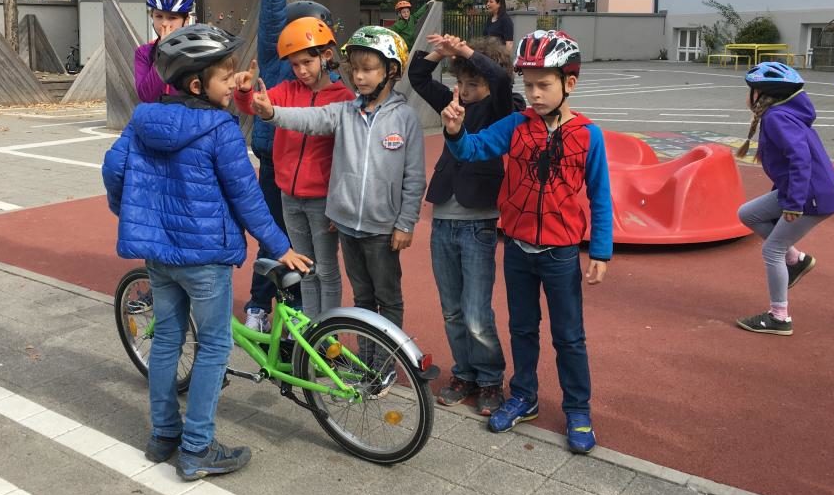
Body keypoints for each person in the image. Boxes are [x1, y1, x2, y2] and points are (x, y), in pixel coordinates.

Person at [103, 24, 311, 481]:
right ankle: (197, 448)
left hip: (160, 257)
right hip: (205, 258)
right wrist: (282, 248)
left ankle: (163, 437)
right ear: (197, 85)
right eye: (225, 77)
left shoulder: (143, 119)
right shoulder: (219, 129)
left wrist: (132, 210)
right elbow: (247, 199)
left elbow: (113, 169)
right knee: (215, 346)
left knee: (168, 342)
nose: (233, 83)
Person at [441, 29, 611, 454]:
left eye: (543, 85)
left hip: (561, 254)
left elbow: (600, 195)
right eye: (528, 85)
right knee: (522, 328)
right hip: (517, 248)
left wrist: (602, 251)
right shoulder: (516, 125)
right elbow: (474, 150)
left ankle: (577, 409)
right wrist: (456, 132)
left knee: (569, 336)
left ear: (568, 83)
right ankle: (524, 396)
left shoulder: (589, 135)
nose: (533, 94)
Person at [250, 26, 426, 391]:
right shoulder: (345, 111)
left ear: (391, 71)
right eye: (355, 69)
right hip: (347, 224)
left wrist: (405, 223)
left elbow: (414, 178)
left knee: (388, 298)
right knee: (362, 299)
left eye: (369, 69)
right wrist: (271, 114)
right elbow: (309, 120)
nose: (359, 77)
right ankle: (366, 364)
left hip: (383, 229)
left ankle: (385, 364)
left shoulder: (404, 118)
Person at [408, 33, 522, 416]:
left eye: (473, 83)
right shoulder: (453, 100)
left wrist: (467, 51)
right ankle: (465, 373)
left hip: (479, 222)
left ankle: (490, 379)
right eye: (460, 82)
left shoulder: (501, 108)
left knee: (476, 311)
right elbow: (419, 78)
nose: (464, 90)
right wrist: (440, 53)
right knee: (452, 310)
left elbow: (504, 80)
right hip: (444, 219)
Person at [233, 3, 355, 319]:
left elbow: (349, 156)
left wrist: (340, 203)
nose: (301, 70)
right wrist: (246, 95)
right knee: (304, 267)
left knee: (326, 269)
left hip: (322, 199)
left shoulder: (343, 99)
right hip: (289, 195)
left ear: (325, 56)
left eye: (307, 62)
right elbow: (256, 106)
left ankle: (328, 334)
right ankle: (313, 332)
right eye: (295, 64)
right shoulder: (287, 89)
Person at [733, 62, 834, 336]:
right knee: (748, 213)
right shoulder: (779, 114)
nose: (746, 96)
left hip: (809, 196)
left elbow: (799, 159)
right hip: (801, 191)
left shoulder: (776, 118)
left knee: (772, 250)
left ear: (761, 94)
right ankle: (796, 260)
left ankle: (779, 317)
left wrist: (793, 203)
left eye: (751, 90)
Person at [242, 0, 299, 332]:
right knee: (270, 235)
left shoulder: (325, 79)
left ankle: (297, 312)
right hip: (273, 164)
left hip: (307, 172)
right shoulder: (276, 59)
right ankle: (260, 306)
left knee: (302, 246)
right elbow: (273, 11)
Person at [135, 0, 195, 103]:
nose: (164, 23)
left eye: (172, 17)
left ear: (186, 20)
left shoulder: (198, 51)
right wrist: (163, 55)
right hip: (155, 120)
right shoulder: (144, 53)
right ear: (152, 16)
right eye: (159, 16)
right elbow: (146, 96)